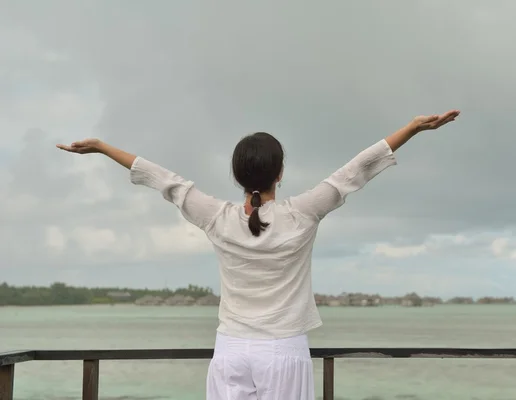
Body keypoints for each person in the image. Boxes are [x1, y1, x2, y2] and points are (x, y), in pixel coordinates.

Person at [57, 109, 460, 400]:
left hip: (230, 350)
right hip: (283, 351)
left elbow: (167, 182)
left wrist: (102, 147)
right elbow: (354, 172)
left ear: (236, 176)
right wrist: (411, 128)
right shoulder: (302, 213)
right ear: (280, 173)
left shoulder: (216, 216)